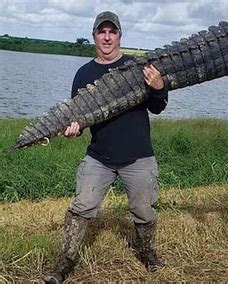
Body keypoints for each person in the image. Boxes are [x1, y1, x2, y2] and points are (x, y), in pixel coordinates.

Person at [44, 11, 168, 283]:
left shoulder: (138, 66)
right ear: (94, 37)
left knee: (143, 209)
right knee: (82, 206)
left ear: (120, 36)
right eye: (102, 32)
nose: (107, 36)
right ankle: (65, 262)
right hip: (99, 157)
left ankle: (147, 253)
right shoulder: (84, 74)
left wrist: (159, 87)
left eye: (112, 31)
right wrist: (72, 131)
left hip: (138, 156)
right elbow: (78, 119)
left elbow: (158, 107)